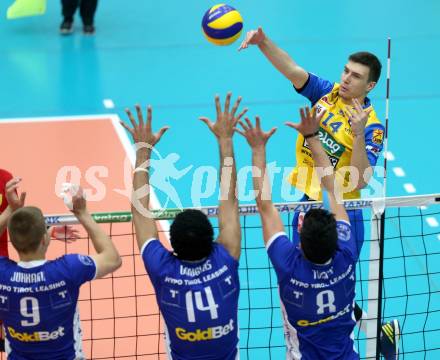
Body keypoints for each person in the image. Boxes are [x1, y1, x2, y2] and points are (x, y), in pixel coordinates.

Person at [239, 27, 392, 335]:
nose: (346, 79)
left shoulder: (373, 127)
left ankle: (367, 339)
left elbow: (361, 179)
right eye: (346, 71)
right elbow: (293, 70)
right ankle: (378, 335)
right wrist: (263, 42)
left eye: (356, 76)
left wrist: (359, 134)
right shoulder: (327, 93)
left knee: (335, 282)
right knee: (303, 277)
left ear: (370, 84)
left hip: (344, 211)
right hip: (308, 203)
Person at [236, 107, 399, 359]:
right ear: (337, 237)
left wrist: (258, 149)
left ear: (298, 240)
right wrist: (313, 136)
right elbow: (333, 191)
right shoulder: (346, 256)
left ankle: (377, 332)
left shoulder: (290, 268)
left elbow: (265, 205)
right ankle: (377, 333)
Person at [121, 94, 246, 359]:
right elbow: (229, 199)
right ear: (213, 239)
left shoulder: (162, 268)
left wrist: (143, 149)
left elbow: (140, 213)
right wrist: (225, 139)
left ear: (172, 246)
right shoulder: (226, 257)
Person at [0, 178, 121, 359]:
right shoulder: (67, 269)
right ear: (44, 239)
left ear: (14, 243)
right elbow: (113, 259)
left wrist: (11, 209)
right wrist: (82, 213)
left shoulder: (3, 273)